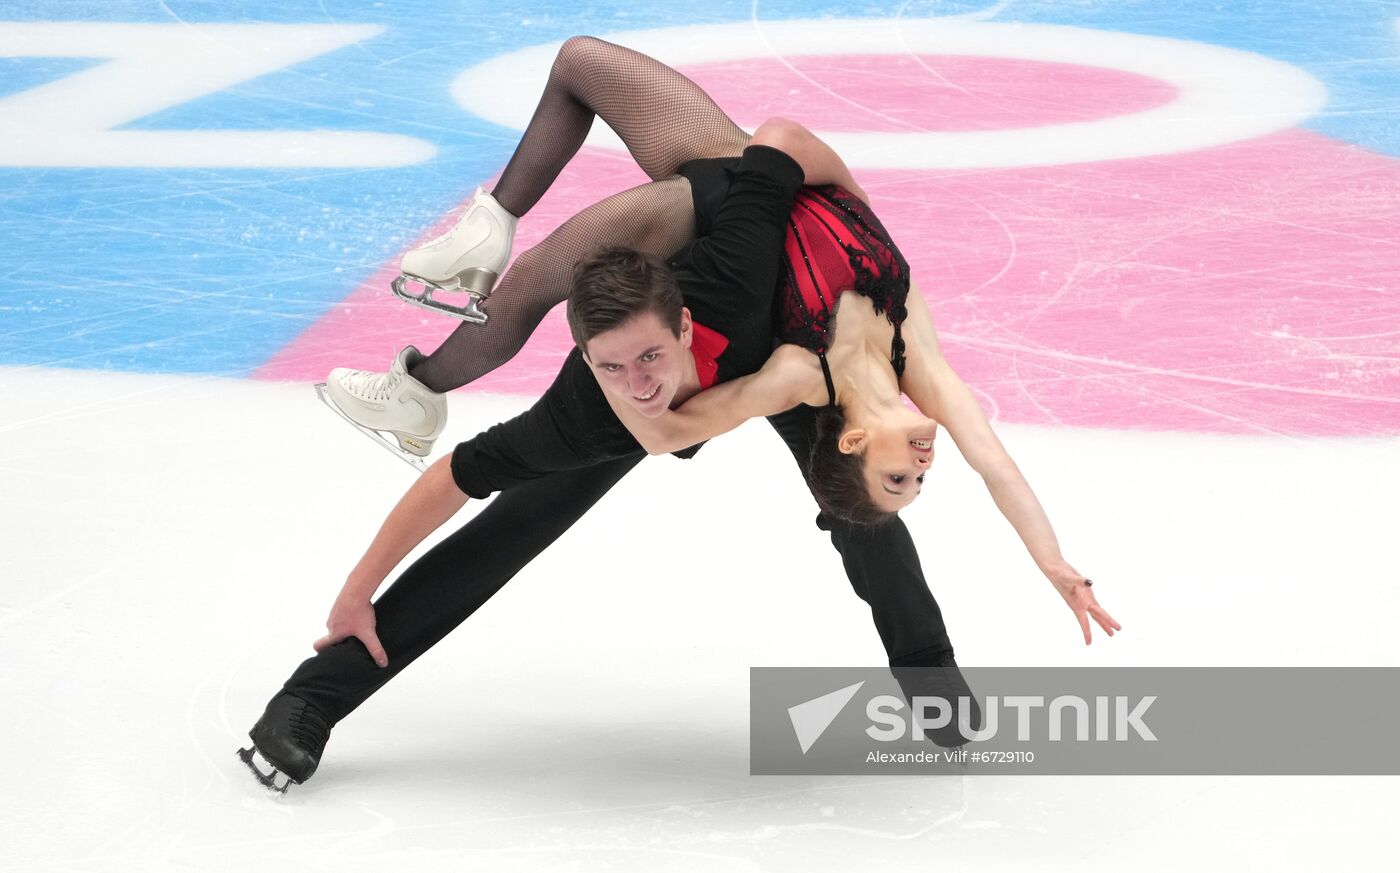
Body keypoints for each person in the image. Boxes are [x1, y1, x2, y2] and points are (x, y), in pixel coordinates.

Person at [238, 38, 1115, 792]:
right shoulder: (632, 381)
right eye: (619, 366)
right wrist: (354, 593)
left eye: (917, 467)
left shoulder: (855, 353)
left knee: (865, 506)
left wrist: (1051, 560)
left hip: (751, 281)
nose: (927, 457)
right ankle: (316, 695)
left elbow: (977, 450)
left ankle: (927, 674)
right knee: (528, 509)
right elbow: (471, 476)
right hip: (723, 274)